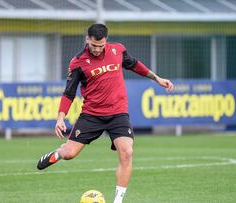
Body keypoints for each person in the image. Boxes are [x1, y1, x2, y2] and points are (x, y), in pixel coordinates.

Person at [37, 24, 173, 203]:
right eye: (93, 45)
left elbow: (134, 65)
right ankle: (58, 153)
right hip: (91, 115)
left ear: (106, 41)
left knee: (127, 152)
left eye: (100, 46)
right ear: (87, 39)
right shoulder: (77, 62)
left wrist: (157, 78)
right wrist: (60, 118)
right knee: (70, 154)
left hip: (118, 114)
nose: (96, 49)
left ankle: (118, 201)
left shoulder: (117, 50)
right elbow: (69, 92)